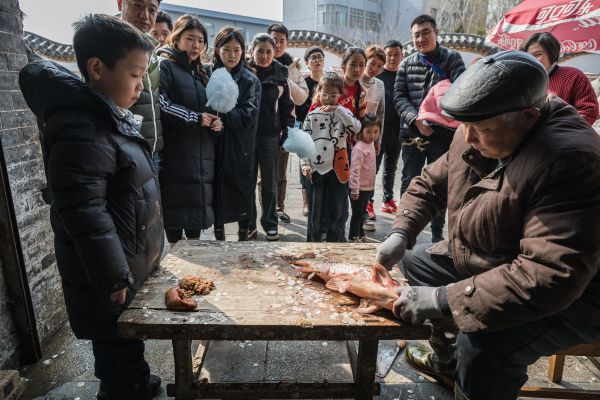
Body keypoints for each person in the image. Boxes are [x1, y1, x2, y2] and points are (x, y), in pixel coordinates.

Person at [376, 51, 600, 400]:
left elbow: (550, 274)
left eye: (479, 129)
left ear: (527, 118)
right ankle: (447, 364)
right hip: (498, 259)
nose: (468, 136)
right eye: (464, 126)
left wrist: (441, 299)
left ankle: (474, 381)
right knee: (417, 259)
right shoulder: (480, 125)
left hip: (574, 299)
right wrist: (400, 231)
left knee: (483, 344)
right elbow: (431, 183)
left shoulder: (570, 160)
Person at [19, 15, 164, 399]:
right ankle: (126, 391)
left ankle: (135, 382)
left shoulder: (105, 117)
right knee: (115, 346)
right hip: (104, 275)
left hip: (120, 262)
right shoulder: (81, 127)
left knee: (125, 342)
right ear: (97, 68)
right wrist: (114, 276)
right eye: (135, 75)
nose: (140, 86)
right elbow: (85, 212)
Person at [394, 14, 465, 243]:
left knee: (440, 184)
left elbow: (463, 91)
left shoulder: (452, 58)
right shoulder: (406, 63)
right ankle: (404, 235)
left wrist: (437, 119)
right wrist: (415, 119)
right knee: (409, 181)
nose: (421, 38)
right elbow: (399, 96)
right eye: (416, 35)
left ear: (436, 32)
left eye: (426, 32)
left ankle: (437, 237)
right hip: (412, 133)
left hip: (442, 135)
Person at [157, 15, 222, 245]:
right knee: (174, 226)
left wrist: (216, 123)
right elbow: (160, 104)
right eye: (190, 38)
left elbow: (212, 109)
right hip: (175, 157)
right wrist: (195, 118)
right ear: (176, 38)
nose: (196, 45)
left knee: (195, 228)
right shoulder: (165, 64)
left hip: (202, 160)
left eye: (201, 40)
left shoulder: (203, 73)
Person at [211, 27, 261, 241]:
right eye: (227, 49)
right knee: (216, 189)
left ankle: (244, 233)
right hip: (211, 143)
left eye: (237, 50)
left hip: (240, 144)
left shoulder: (250, 80)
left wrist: (221, 118)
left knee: (241, 188)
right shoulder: (207, 73)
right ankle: (218, 234)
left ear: (243, 52)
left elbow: (248, 114)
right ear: (217, 50)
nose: (232, 55)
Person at [302, 72, 361, 242]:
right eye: (325, 94)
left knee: (338, 207)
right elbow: (304, 141)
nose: (328, 99)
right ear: (318, 93)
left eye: (333, 95)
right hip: (316, 167)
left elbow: (356, 128)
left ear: (340, 95)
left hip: (338, 167)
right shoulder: (312, 115)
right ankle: (313, 242)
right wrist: (305, 163)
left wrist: (340, 109)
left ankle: (337, 241)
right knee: (316, 208)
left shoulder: (343, 113)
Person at [248, 33, 295, 241]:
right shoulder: (244, 69)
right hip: (246, 135)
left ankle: (269, 222)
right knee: (247, 181)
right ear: (252, 51)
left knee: (269, 182)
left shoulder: (280, 71)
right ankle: (248, 223)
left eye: (268, 51)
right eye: (260, 51)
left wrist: (288, 130)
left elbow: (286, 104)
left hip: (270, 135)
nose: (264, 56)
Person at [268, 23, 310, 224]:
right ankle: (265, 211)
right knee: (262, 174)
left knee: (281, 173)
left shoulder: (292, 67)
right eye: (274, 39)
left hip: (283, 127)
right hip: (261, 128)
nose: (277, 44)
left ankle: (279, 208)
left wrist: (285, 78)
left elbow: (302, 98)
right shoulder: (257, 62)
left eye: (282, 40)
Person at [520, 32, 599, 125]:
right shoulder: (525, 82)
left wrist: (556, 128)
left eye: (538, 54)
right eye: (528, 56)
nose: (533, 60)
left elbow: (589, 111)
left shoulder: (573, 76)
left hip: (565, 137)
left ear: (551, 53)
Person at [119, 0, 164, 157]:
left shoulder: (152, 50)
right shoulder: (108, 45)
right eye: (137, 5)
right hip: (125, 152)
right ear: (120, 3)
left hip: (151, 150)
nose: (144, 15)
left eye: (152, 10)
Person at [296, 46, 325, 216]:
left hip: (324, 131)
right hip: (306, 130)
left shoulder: (328, 81)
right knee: (305, 166)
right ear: (307, 63)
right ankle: (306, 202)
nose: (317, 60)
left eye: (320, 57)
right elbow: (298, 107)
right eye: (313, 58)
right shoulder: (304, 83)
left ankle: (320, 199)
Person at [360, 45, 386, 231]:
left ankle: (362, 215)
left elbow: (381, 113)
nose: (374, 68)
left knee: (367, 177)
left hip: (370, 138)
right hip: (353, 136)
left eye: (379, 65)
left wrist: (378, 140)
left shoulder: (380, 85)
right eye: (372, 63)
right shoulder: (355, 81)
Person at [377, 40, 403, 216]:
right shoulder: (378, 76)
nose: (392, 58)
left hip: (398, 131)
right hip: (377, 132)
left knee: (391, 168)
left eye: (396, 54)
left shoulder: (404, 75)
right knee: (373, 168)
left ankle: (387, 199)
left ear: (402, 56)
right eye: (389, 54)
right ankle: (368, 202)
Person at [349, 114, 380, 242]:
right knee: (357, 214)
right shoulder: (359, 148)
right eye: (368, 132)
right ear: (361, 131)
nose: (372, 135)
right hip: (359, 188)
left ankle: (360, 234)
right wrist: (354, 189)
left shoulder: (371, 144)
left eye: (376, 132)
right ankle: (353, 236)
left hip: (367, 187)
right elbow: (355, 170)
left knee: (362, 213)